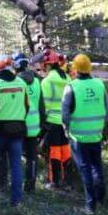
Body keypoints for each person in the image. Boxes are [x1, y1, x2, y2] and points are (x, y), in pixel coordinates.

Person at [62, 54, 108, 212]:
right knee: (97, 167)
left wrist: (67, 130)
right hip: (96, 135)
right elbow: (107, 110)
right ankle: (101, 200)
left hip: (78, 137)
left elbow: (65, 115)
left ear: (75, 68)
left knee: (85, 169)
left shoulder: (71, 87)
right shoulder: (100, 85)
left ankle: (90, 206)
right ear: (89, 68)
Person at [0, 56, 30, 206]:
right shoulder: (21, 83)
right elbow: (27, 106)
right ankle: (16, 200)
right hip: (18, 128)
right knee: (16, 164)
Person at [40, 50, 72, 189]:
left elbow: (45, 104)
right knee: (66, 151)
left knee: (54, 151)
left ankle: (55, 182)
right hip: (66, 122)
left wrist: (43, 121)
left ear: (47, 65)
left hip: (52, 122)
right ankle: (67, 180)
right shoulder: (67, 78)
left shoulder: (47, 81)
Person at [14, 53, 45, 194]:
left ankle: (17, 185)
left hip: (19, 126)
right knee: (32, 158)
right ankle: (30, 186)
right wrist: (43, 126)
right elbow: (41, 106)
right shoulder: (38, 82)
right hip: (34, 126)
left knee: (17, 157)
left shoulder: (16, 82)